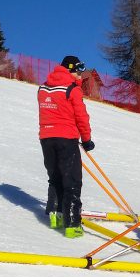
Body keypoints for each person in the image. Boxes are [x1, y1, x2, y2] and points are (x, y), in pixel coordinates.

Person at [38, 55, 93, 238]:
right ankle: (72, 225)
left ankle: (56, 217)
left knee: (55, 177)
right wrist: (86, 139)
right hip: (66, 139)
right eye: (78, 72)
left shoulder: (43, 88)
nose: (80, 76)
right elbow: (81, 116)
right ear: (70, 70)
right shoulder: (72, 89)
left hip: (46, 138)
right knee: (72, 181)